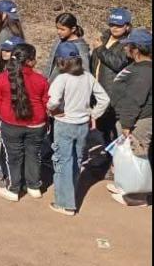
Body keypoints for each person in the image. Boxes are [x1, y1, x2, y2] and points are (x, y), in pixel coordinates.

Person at [46, 45, 111, 215]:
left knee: (62, 162)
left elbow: (52, 101)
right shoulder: (88, 77)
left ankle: (65, 203)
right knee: (76, 160)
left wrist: (52, 110)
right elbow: (104, 99)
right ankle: (70, 195)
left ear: (60, 60)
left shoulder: (61, 79)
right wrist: (93, 114)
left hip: (64, 124)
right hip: (82, 125)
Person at [0, 43, 50, 202]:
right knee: (34, 154)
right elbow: (46, 102)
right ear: (31, 61)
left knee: (13, 157)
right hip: (37, 124)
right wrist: (46, 120)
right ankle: (34, 186)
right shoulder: (41, 80)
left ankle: (14, 188)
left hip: (11, 124)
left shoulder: (1, 79)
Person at [109, 28, 152, 207]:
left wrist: (126, 124)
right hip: (131, 118)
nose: (125, 49)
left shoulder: (144, 72)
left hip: (139, 120)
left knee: (137, 157)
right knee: (127, 156)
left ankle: (137, 197)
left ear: (136, 49)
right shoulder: (137, 67)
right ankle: (125, 185)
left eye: (128, 46)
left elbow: (134, 100)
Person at [90, 8, 134, 143]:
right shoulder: (104, 38)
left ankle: (114, 161)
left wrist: (100, 49)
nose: (114, 28)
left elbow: (118, 63)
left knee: (113, 129)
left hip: (113, 92)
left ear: (127, 26)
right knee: (102, 127)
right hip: (97, 88)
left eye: (119, 25)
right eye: (112, 24)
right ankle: (108, 159)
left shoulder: (127, 44)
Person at [45, 13, 89, 80]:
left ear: (73, 29)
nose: (58, 32)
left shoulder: (80, 47)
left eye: (62, 29)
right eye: (57, 28)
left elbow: (85, 72)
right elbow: (51, 61)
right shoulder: (59, 40)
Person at [0, 0, 25, 73]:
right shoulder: (17, 28)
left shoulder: (4, 33)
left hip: (5, 71)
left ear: (4, 14)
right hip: (15, 70)